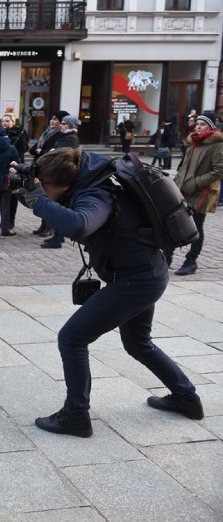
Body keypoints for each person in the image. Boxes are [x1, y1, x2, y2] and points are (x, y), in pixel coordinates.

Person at [15, 146, 204, 437]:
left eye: (46, 185)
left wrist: (38, 200)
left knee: (72, 338)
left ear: (63, 183)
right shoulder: (92, 180)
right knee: (138, 343)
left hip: (136, 280)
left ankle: (76, 415)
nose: (43, 189)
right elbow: (60, 207)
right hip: (146, 273)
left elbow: (79, 225)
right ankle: (187, 398)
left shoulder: (96, 194)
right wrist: (29, 192)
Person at [172, 114, 223, 276]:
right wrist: (177, 181)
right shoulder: (193, 143)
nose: (198, 127)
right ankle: (167, 255)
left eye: (202, 124)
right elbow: (183, 167)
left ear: (210, 127)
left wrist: (196, 183)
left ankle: (191, 260)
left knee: (196, 226)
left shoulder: (217, 145)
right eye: (197, 124)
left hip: (202, 191)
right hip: (183, 190)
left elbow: (219, 170)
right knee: (175, 222)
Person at [41, 115, 82, 249]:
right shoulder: (64, 136)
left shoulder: (71, 138)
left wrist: (53, 152)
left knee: (60, 205)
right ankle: (58, 236)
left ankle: (58, 237)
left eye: (64, 123)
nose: (61, 125)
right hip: (59, 173)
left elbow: (63, 155)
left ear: (70, 125)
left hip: (62, 175)